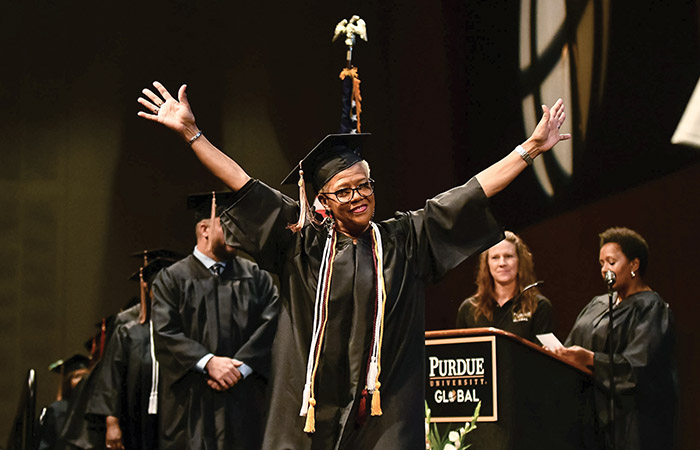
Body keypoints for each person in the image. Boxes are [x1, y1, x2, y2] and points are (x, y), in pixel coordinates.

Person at [137, 80, 569, 449]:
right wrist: (193, 133)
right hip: (310, 410)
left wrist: (531, 148)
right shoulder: (301, 247)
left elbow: (471, 193)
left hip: (383, 413)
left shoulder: (404, 240)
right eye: (344, 191)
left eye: (364, 186)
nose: (358, 197)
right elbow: (242, 181)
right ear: (322, 200)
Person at [150, 191, 280, 450]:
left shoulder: (256, 276)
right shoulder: (171, 279)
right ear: (204, 228)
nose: (239, 233)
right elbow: (165, 332)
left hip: (243, 401)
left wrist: (240, 368)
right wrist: (208, 362)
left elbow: (273, 323)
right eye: (230, 225)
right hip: (191, 404)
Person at [553, 227, 678, 450]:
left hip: (630, 424)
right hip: (590, 419)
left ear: (634, 265)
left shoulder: (651, 308)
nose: (604, 269)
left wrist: (590, 359)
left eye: (611, 262)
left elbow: (640, 367)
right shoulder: (598, 304)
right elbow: (573, 346)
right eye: (601, 263)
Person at [87, 255, 179, 450]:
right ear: (150, 292)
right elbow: (112, 380)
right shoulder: (129, 333)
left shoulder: (183, 333)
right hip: (134, 421)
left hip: (174, 422)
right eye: (158, 290)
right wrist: (112, 424)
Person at [455, 230, 552, 343]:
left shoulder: (539, 307)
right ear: (487, 264)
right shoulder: (468, 309)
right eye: (495, 257)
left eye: (508, 256)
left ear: (520, 261)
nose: (502, 263)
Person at [35, 354, 91, 450]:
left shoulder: (95, 408)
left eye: (85, 375)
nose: (82, 380)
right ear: (68, 381)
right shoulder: (56, 410)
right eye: (77, 376)